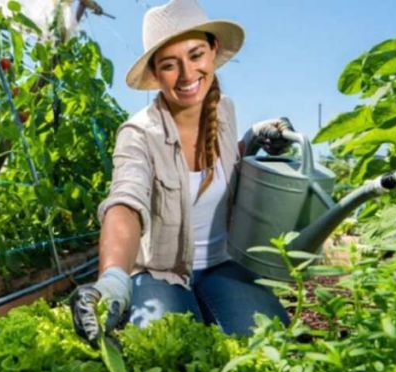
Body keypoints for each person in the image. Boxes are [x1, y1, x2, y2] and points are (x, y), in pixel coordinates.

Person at [71, 0, 294, 346]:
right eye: (171, 65)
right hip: (161, 272)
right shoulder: (139, 133)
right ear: (156, 74)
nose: (188, 75)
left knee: (270, 340)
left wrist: (255, 137)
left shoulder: (224, 109)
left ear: (213, 50)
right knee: (166, 349)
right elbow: (125, 204)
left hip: (222, 264)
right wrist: (114, 278)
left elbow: (227, 161)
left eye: (195, 55)